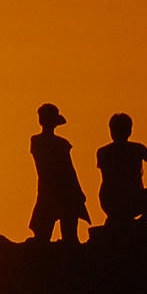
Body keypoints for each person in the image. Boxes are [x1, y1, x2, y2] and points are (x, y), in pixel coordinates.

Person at [28, 103, 89, 244]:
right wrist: (78, 191)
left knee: (63, 232)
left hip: (55, 187)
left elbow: (69, 169)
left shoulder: (42, 142)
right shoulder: (51, 143)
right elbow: (69, 169)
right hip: (55, 186)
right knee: (48, 231)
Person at [95, 112, 147, 225]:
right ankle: (141, 220)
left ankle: (120, 218)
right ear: (130, 131)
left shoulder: (102, 152)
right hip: (128, 200)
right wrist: (142, 153)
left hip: (110, 202)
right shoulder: (136, 148)